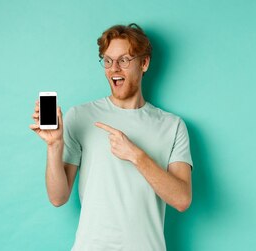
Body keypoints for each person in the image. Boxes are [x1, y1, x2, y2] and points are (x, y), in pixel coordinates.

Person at [29, 23, 193, 251]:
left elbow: (182, 199)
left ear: (144, 63)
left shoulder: (172, 126)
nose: (114, 68)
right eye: (107, 61)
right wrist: (55, 145)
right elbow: (58, 197)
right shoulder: (81, 116)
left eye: (124, 60)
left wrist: (136, 155)